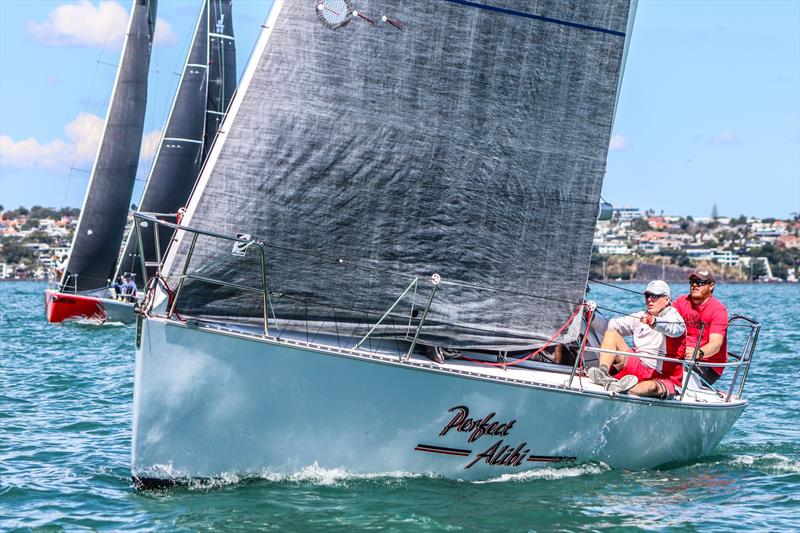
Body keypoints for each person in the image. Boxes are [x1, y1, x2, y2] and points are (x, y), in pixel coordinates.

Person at [589, 280, 687, 398]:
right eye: (647, 295)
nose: (649, 299)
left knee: (652, 387)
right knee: (611, 333)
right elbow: (607, 326)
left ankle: (623, 390)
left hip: (664, 376)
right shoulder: (640, 317)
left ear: (666, 299)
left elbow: (673, 329)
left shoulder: (675, 318)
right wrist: (590, 315)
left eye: (654, 296)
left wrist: (654, 322)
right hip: (639, 365)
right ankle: (603, 373)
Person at [673, 268, 728, 385]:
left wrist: (697, 353)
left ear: (711, 286)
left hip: (707, 365)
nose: (694, 285)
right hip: (680, 357)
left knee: (673, 369)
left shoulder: (718, 310)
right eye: (692, 282)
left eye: (700, 282)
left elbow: (716, 344)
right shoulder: (680, 302)